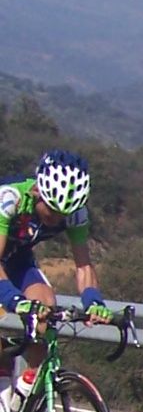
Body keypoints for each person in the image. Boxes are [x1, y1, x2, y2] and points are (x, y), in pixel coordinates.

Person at [0, 149, 113, 378]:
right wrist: (15, 300)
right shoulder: (9, 198)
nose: (57, 219)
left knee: (45, 307)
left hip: (16, 257)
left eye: (64, 214)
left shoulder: (76, 214)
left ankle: (30, 388)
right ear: (37, 191)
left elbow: (83, 265)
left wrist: (93, 301)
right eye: (52, 211)